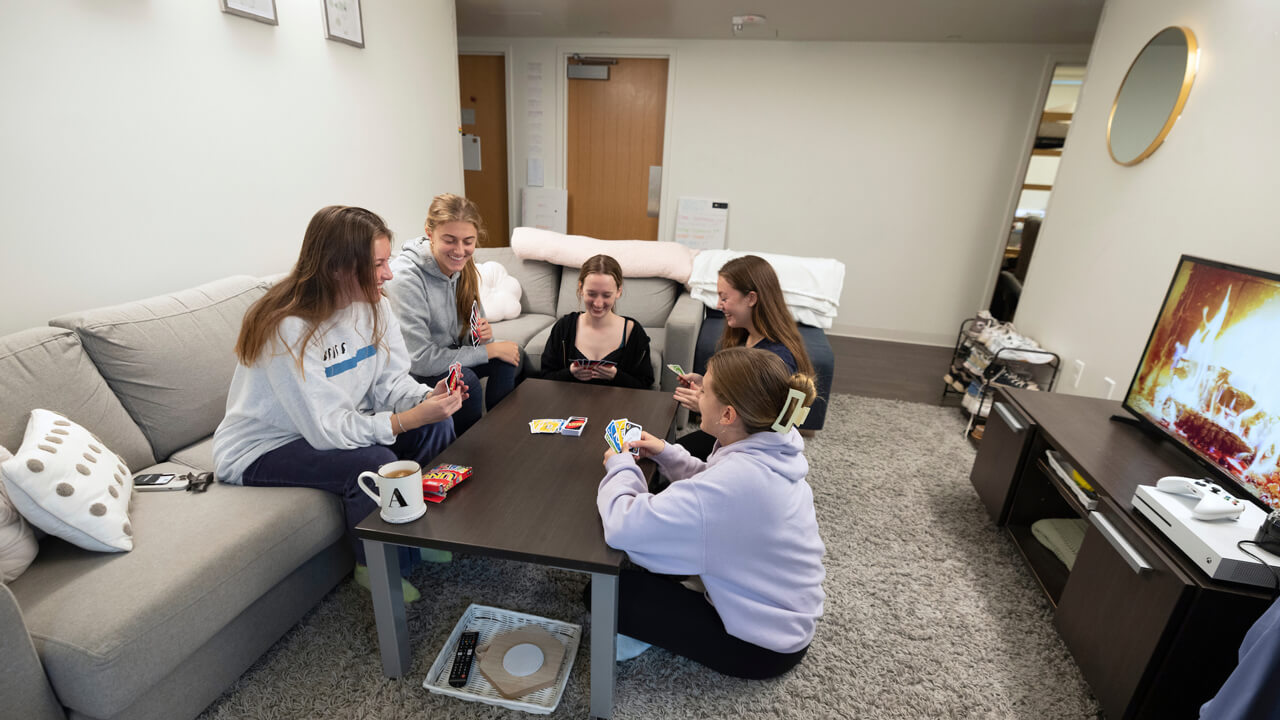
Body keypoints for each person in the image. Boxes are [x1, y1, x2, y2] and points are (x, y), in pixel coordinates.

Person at [213, 206, 463, 603]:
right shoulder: (289, 327)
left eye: (387, 261)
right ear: (339, 268)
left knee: (436, 425)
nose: (389, 274)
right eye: (378, 264)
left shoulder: (375, 304)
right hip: (265, 446)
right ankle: (374, 566)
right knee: (371, 462)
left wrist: (425, 399)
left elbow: (390, 380)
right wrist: (402, 420)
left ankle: (416, 535)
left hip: (323, 424)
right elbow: (327, 429)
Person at [594, 346, 826, 677]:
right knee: (660, 565)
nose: (697, 390)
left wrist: (618, 464)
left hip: (761, 648)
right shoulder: (772, 441)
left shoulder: (736, 482)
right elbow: (714, 486)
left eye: (705, 389)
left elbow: (622, 525)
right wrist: (665, 452)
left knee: (604, 594)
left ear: (727, 415)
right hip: (786, 615)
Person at [384, 193, 522, 435]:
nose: (460, 250)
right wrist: (488, 350)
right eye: (450, 240)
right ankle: (463, 450)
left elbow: (475, 340)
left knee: (511, 356)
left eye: (468, 241)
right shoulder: (405, 277)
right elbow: (420, 360)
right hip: (415, 372)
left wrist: (483, 336)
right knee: (465, 381)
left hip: (448, 359)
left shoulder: (462, 265)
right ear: (429, 232)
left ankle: (501, 434)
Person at [674, 255, 816, 460]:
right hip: (728, 435)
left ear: (751, 298)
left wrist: (706, 405)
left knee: (666, 460)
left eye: (724, 298)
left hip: (748, 450)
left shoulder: (775, 360)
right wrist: (707, 387)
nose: (718, 305)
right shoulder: (744, 337)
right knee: (668, 453)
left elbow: (768, 427)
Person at [540, 254, 654, 389]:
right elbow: (545, 378)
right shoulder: (564, 327)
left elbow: (645, 385)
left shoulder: (633, 332)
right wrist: (569, 373)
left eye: (606, 295)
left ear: (618, 291)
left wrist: (616, 376)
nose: (598, 304)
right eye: (592, 294)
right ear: (581, 288)